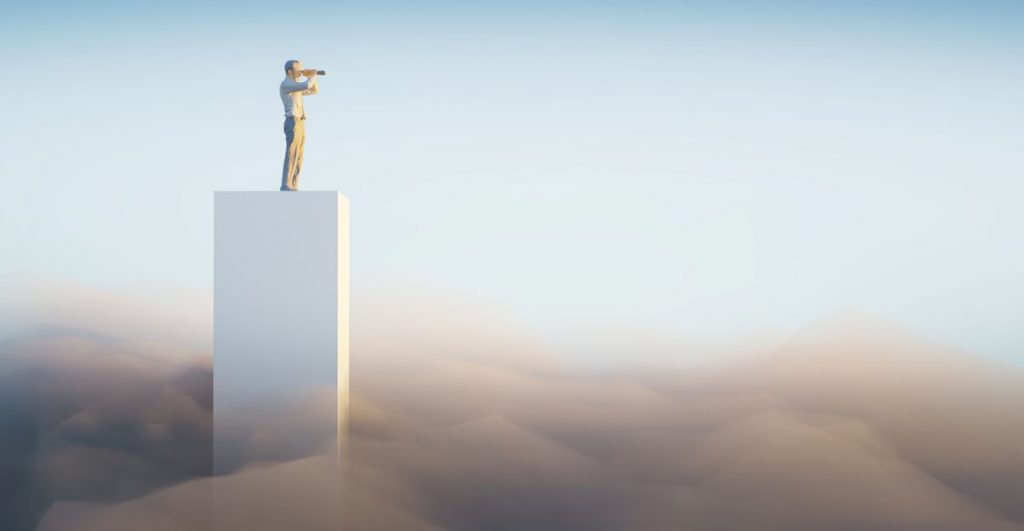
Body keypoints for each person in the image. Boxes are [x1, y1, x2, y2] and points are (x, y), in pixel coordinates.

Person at [279, 59, 320, 191]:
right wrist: (312, 76)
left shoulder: (296, 86)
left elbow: (314, 90)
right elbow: (306, 85)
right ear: (290, 71)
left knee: (299, 155)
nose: (299, 71)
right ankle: (286, 184)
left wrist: (310, 76)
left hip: (301, 122)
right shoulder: (286, 84)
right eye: (297, 68)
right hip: (293, 121)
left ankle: (294, 184)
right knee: (291, 153)